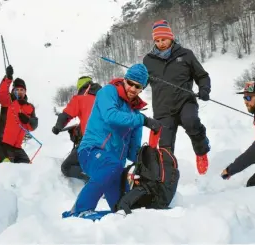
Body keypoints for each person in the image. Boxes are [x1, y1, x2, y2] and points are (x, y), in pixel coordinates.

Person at [62, 64, 162, 219]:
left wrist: (148, 159)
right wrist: (142, 119)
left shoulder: (135, 113)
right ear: (124, 80)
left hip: (114, 166)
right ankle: (79, 211)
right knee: (111, 165)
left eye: (138, 86)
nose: (133, 89)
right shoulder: (108, 92)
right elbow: (111, 116)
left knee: (121, 210)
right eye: (130, 83)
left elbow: (132, 151)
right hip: (92, 151)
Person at [143, 20, 211, 175]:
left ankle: (201, 152)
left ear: (171, 38)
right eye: (157, 40)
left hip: (185, 102)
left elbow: (202, 76)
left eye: (164, 39)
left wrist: (204, 89)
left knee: (191, 122)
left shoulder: (185, 54)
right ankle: (167, 175)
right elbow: (141, 81)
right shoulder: (148, 60)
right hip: (163, 109)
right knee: (164, 146)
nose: (161, 43)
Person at [52, 76, 102, 182]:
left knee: (66, 167)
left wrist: (57, 127)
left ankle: (96, 178)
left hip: (91, 143)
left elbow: (65, 116)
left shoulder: (80, 98)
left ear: (80, 87)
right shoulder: (103, 97)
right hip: (110, 142)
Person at [0, 65, 38, 164]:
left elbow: (33, 125)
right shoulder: (8, 101)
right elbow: (2, 93)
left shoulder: (30, 107)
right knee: (7, 167)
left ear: (25, 92)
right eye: (17, 89)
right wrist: (8, 78)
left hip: (17, 147)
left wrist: (28, 120)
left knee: (28, 169)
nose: (19, 91)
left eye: (21, 90)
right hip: (3, 144)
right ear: (13, 90)